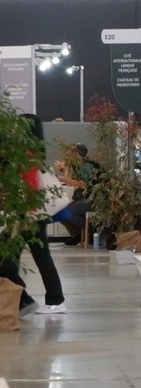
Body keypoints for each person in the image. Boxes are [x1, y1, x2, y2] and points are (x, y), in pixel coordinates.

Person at [0, 114, 67, 316]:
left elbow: (30, 188)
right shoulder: (33, 153)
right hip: (31, 215)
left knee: (7, 258)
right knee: (35, 257)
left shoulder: (26, 154)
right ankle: (41, 300)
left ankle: (27, 300)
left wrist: (25, 216)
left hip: (28, 216)